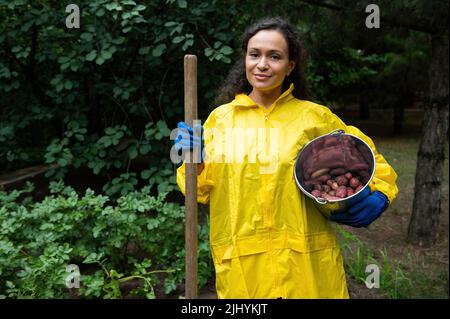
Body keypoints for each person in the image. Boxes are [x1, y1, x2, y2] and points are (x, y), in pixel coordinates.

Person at [174, 17, 398, 299]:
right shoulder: (220, 121)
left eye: (275, 56)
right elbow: (198, 191)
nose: (262, 64)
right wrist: (194, 160)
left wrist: (380, 194)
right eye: (254, 54)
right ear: (245, 58)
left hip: (307, 269)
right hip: (244, 272)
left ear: (290, 65)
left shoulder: (314, 118)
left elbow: (369, 159)